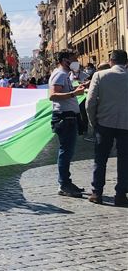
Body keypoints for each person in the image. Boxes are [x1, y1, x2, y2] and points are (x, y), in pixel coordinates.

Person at [85, 49, 128, 206]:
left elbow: (90, 102)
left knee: (100, 158)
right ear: (126, 62)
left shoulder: (99, 75)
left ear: (111, 61)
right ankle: (121, 194)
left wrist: (93, 122)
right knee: (125, 160)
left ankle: (97, 192)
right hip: (126, 124)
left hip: (104, 123)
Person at [48, 49, 87, 198]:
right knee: (66, 152)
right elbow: (52, 96)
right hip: (64, 118)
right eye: (74, 58)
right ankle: (64, 184)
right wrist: (73, 94)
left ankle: (66, 182)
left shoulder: (65, 75)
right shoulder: (60, 74)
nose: (76, 61)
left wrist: (75, 90)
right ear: (65, 60)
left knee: (68, 151)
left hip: (69, 117)